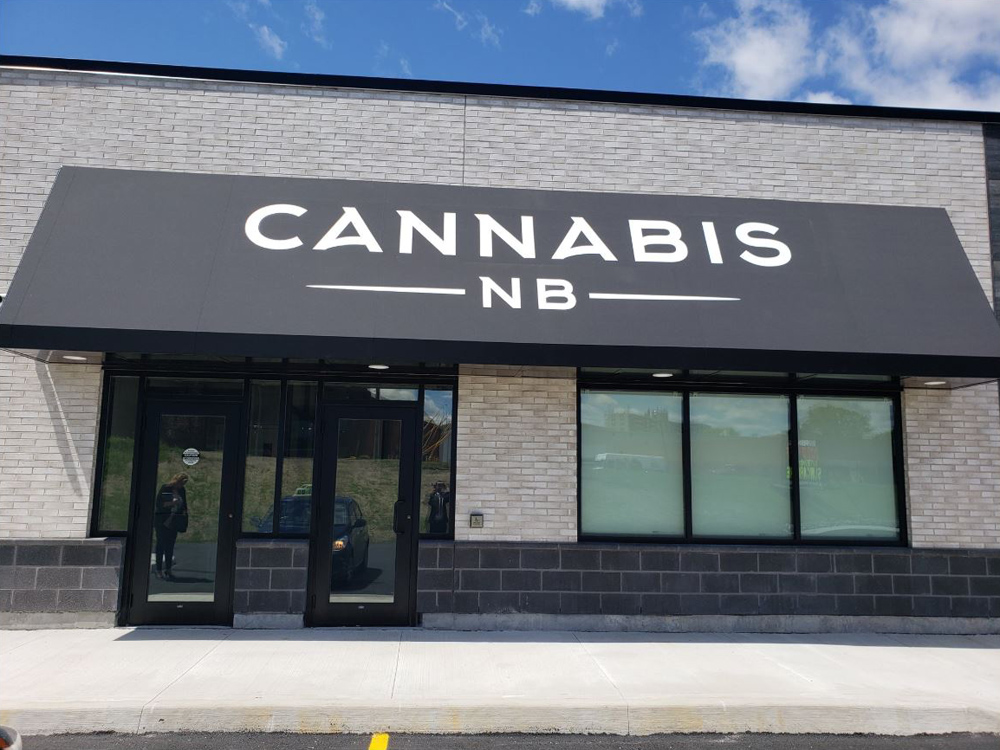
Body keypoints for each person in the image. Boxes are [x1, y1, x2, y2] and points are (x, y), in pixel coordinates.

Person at [153, 473, 189, 581]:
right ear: (176, 481)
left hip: (174, 521)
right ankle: (159, 569)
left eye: (184, 484)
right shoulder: (165, 488)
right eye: (181, 483)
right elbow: (159, 504)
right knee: (160, 545)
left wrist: (184, 514)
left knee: (170, 545)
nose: (182, 485)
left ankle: (168, 569)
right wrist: (171, 503)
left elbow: (184, 504)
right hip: (162, 521)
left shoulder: (182, 491)